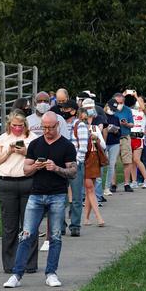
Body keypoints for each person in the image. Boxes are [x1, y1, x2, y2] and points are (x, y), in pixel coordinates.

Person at [3, 111, 77, 289]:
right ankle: (16, 274)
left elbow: (73, 172)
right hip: (36, 194)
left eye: (50, 128)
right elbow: (26, 169)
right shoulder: (36, 144)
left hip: (57, 194)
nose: (47, 131)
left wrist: (56, 168)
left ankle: (51, 272)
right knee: (26, 234)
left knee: (56, 236)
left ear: (57, 125)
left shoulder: (67, 146)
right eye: (44, 127)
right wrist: (35, 166)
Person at [0, 110, 38, 274]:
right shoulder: (3, 139)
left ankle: (29, 263)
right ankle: (10, 264)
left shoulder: (32, 138)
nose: (17, 128)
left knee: (29, 225)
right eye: (14, 125)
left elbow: (39, 159)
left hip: (27, 182)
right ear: (9, 125)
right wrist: (9, 151)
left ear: (25, 125)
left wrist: (25, 152)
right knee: (9, 226)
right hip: (7, 183)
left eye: (20, 125)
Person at [61, 100, 88, 237]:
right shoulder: (61, 125)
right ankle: (60, 225)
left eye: (66, 109)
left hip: (74, 165)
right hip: (61, 165)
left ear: (73, 111)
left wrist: (75, 164)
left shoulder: (80, 125)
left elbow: (82, 148)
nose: (63, 111)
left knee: (76, 197)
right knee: (60, 197)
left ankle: (75, 226)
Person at [79, 107, 106, 226]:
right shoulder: (77, 129)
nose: (87, 121)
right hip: (83, 159)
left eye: (88, 118)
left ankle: (86, 218)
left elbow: (104, 146)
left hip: (93, 160)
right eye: (84, 119)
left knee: (90, 190)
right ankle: (99, 217)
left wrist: (96, 140)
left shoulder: (95, 129)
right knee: (90, 189)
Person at [81, 97, 107, 203]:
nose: (89, 109)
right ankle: (84, 197)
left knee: (97, 177)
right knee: (83, 176)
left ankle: (98, 196)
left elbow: (103, 143)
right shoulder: (80, 123)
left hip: (95, 152)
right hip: (84, 153)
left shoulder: (98, 120)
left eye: (90, 107)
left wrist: (96, 136)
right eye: (86, 108)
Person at [125, 91, 146, 188]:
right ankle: (134, 181)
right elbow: (123, 108)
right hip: (130, 137)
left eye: (140, 101)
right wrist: (124, 96)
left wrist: (137, 96)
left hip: (139, 137)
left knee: (137, 159)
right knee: (132, 160)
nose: (138, 102)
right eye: (137, 101)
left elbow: (144, 108)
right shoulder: (132, 111)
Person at [112, 92, 134, 193]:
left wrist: (126, 124)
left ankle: (126, 183)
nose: (120, 104)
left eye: (121, 102)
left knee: (127, 161)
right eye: (118, 102)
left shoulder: (128, 110)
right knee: (113, 162)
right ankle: (113, 184)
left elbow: (132, 124)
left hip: (125, 137)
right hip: (113, 138)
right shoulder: (110, 109)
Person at [101, 99, 121, 197]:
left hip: (114, 143)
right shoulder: (101, 116)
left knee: (111, 165)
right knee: (101, 165)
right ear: (107, 105)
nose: (112, 111)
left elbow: (119, 133)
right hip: (103, 143)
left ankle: (107, 187)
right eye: (111, 108)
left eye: (114, 109)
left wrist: (115, 131)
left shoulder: (116, 118)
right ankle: (98, 188)